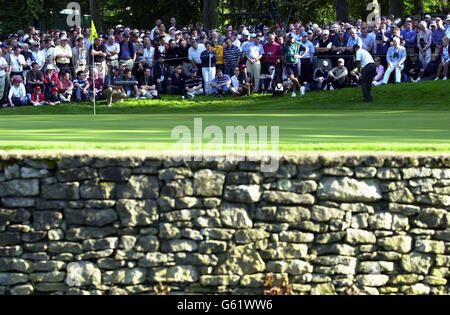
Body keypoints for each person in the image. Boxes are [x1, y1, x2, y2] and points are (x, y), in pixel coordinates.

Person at [282, 33, 308, 97]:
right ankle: (301, 87)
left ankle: (294, 92)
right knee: (291, 77)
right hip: (288, 62)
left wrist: (301, 56)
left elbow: (307, 49)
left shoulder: (298, 43)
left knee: (296, 77)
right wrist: (283, 63)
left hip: (296, 62)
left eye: (292, 38)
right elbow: (283, 55)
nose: (291, 39)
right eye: (290, 38)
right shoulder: (285, 44)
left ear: (294, 38)